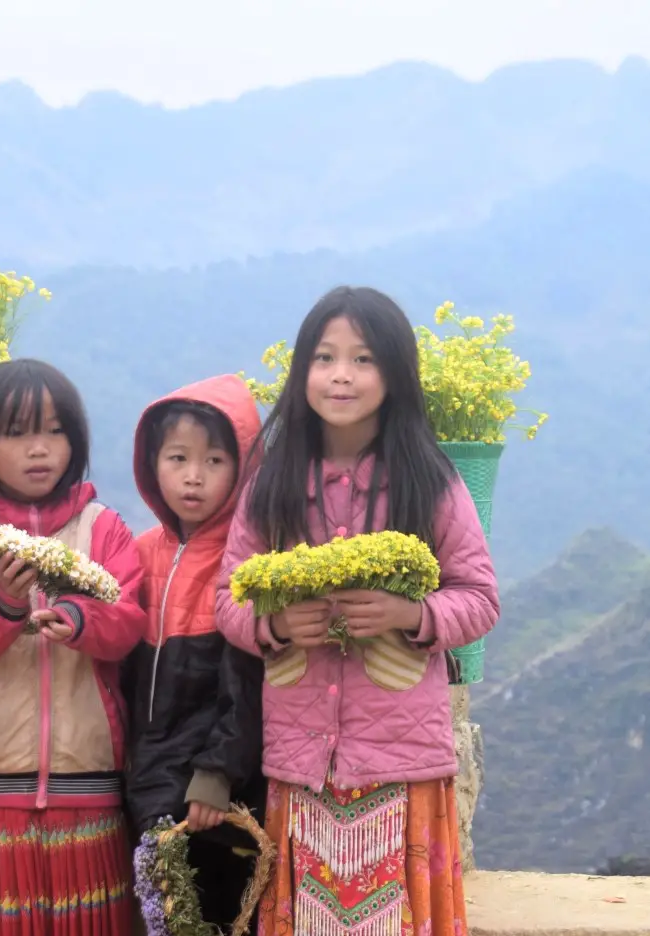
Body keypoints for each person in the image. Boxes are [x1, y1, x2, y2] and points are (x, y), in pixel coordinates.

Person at [215, 287, 500, 936]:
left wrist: (410, 614)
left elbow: (480, 598)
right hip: (303, 761)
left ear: (395, 373)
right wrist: (277, 626)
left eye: (363, 359)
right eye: (324, 357)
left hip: (402, 767)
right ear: (301, 372)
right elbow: (228, 599)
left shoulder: (430, 479)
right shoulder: (273, 482)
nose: (341, 375)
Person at [0, 358, 148, 936]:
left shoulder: (103, 528)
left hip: (90, 784)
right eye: (17, 432)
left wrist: (79, 616)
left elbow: (128, 622)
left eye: (54, 430)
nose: (39, 448)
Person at [123, 375, 267, 928]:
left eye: (214, 462)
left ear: (243, 469)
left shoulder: (244, 560)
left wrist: (217, 772)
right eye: (178, 458)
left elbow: (246, 681)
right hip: (151, 779)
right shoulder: (140, 553)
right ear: (151, 463)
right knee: (166, 912)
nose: (193, 477)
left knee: (218, 910)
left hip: (212, 793)